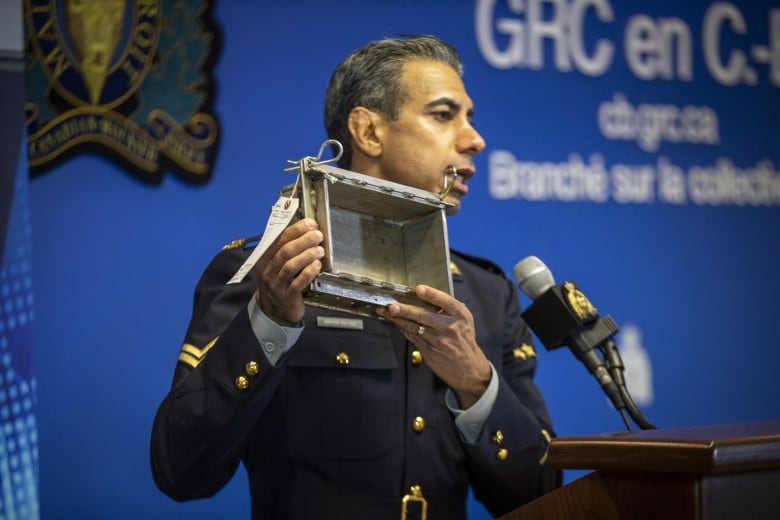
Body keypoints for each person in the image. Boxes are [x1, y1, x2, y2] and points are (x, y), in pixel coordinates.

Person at [151, 34, 559, 519]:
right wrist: (270, 320)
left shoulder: (489, 295)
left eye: (470, 118)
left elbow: (543, 496)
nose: (475, 139)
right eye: (444, 115)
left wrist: (476, 383)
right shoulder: (268, 272)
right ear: (367, 132)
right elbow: (180, 471)